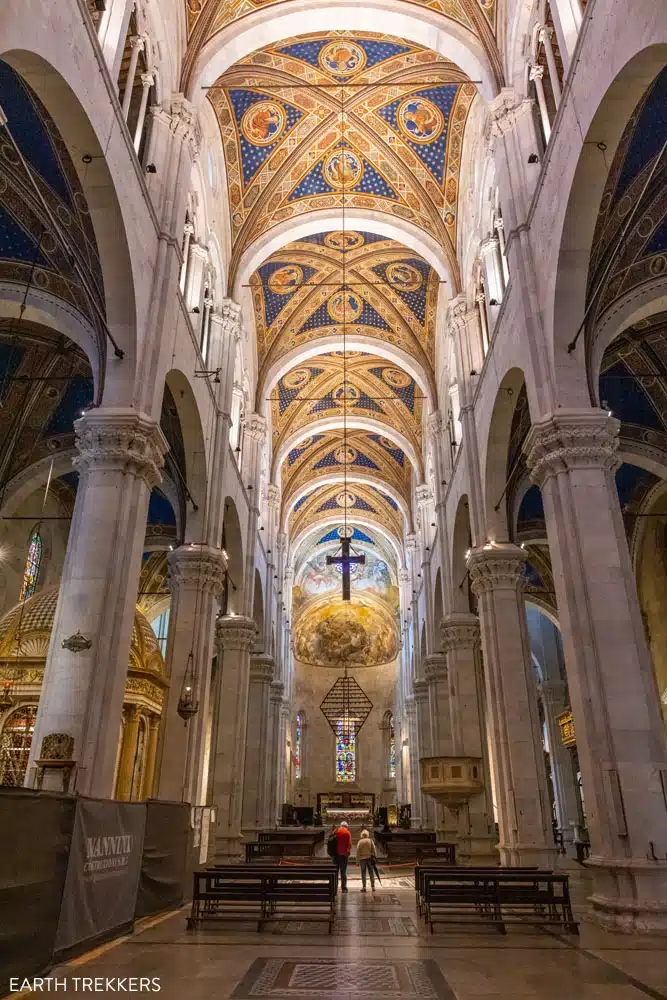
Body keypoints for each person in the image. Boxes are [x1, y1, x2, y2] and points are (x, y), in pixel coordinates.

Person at [333, 820, 352, 892]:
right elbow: (349, 845)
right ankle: (344, 888)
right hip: (344, 855)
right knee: (343, 871)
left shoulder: (336, 831)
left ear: (340, 826)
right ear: (346, 827)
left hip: (335, 855)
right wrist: (348, 850)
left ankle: (335, 887)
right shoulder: (347, 833)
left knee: (335, 871)